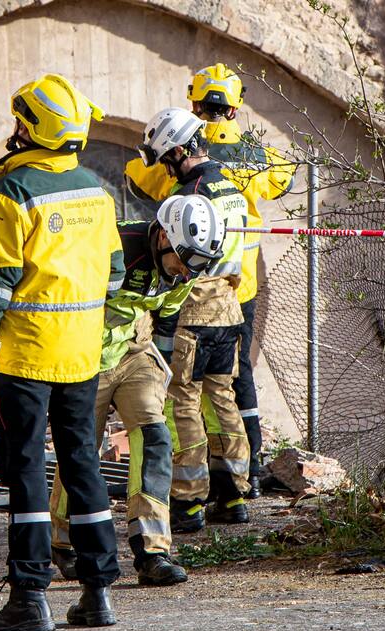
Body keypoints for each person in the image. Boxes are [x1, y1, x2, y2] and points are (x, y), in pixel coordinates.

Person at [0, 74, 121, 631]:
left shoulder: (12, 193)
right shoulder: (97, 191)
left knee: (26, 470)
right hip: (81, 355)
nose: (15, 129)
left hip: (23, 357)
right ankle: (97, 593)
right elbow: (114, 276)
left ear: (31, 130)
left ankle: (29, 598)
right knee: (82, 464)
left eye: (19, 121)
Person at [126, 64, 296, 497]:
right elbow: (287, 175)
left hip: (191, 295)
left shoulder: (184, 176)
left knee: (183, 394)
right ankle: (243, 478)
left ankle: (189, 494)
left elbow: (137, 179)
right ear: (235, 108)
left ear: (195, 103)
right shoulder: (252, 158)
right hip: (238, 288)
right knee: (233, 387)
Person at [49, 194, 228, 586]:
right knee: (80, 449)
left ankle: (152, 551)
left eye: (200, 264)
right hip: (85, 357)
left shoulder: (185, 270)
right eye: (186, 260)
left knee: (154, 437)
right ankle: (63, 542)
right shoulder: (115, 248)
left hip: (132, 350)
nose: (188, 272)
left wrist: (161, 368)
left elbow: (166, 316)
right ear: (163, 237)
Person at [129, 107, 251, 533]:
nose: (165, 170)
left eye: (166, 160)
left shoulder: (190, 196)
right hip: (229, 308)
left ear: (179, 150)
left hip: (192, 309)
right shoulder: (231, 187)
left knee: (181, 401)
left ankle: (188, 500)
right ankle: (233, 494)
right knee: (221, 400)